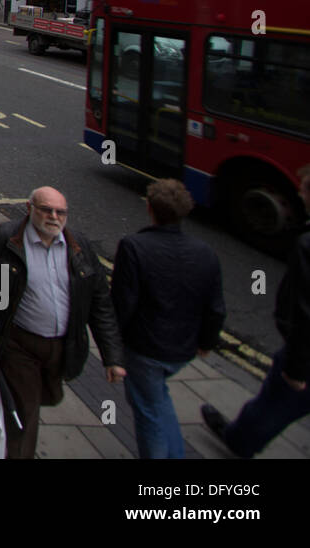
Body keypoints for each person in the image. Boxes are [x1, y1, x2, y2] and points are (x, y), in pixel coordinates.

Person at [0, 186, 126, 459]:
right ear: (29, 208)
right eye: (46, 210)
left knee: (45, 398)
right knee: (23, 414)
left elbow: (100, 302)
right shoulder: (2, 240)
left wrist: (112, 356)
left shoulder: (80, 247)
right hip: (18, 344)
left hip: (61, 347)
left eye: (61, 212)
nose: (54, 217)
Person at [202, 163, 310, 457]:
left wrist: (297, 369)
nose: (299, 195)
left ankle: (238, 440)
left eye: (302, 191)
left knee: (274, 402)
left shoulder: (306, 245)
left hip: (304, 356)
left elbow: (305, 312)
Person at [112, 179, 225, 458]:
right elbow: (216, 308)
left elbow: (122, 304)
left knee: (149, 413)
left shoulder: (134, 246)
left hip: (145, 349)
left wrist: (113, 349)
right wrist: (206, 343)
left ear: (149, 208)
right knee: (158, 400)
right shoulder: (205, 252)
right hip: (183, 350)